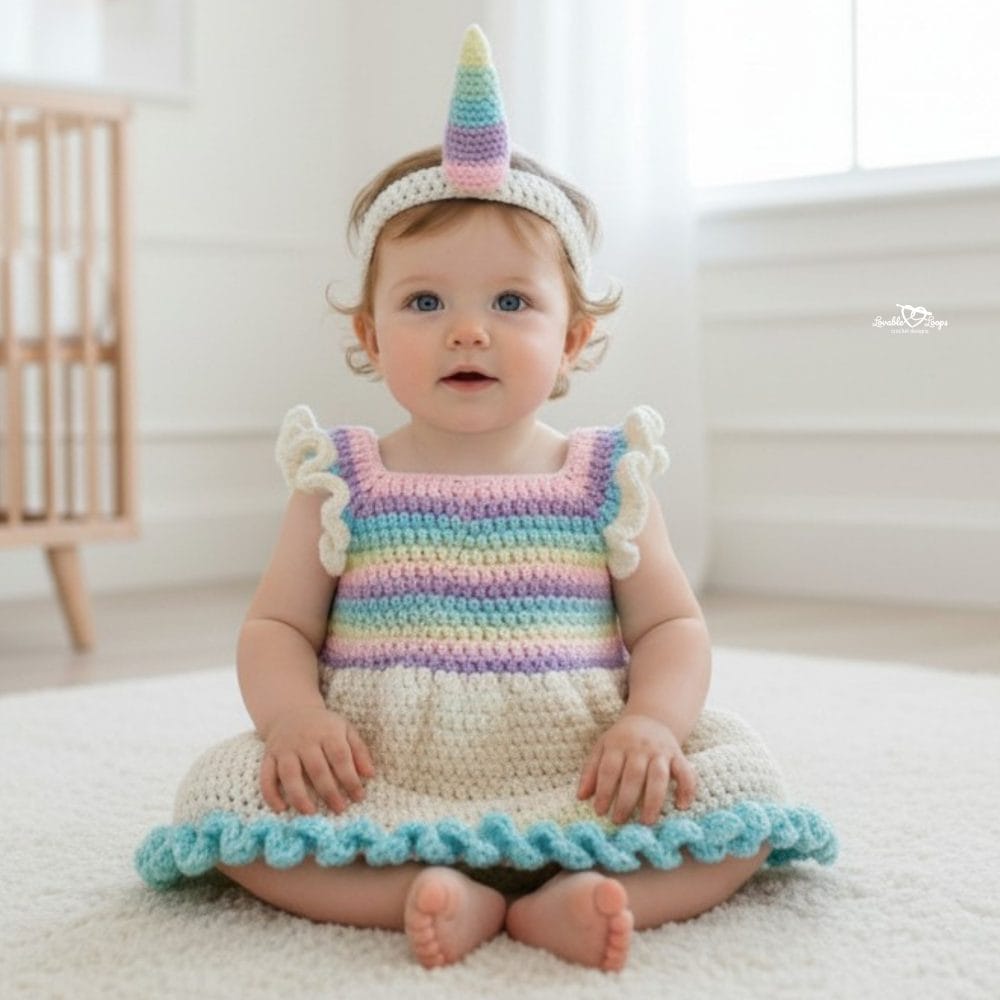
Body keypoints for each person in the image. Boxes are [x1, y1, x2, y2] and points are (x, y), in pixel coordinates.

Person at [135, 24, 836, 972]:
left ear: (576, 336)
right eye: (425, 303)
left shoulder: (604, 475)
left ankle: (584, 899)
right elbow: (277, 629)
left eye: (512, 303)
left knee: (744, 792)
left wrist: (650, 724)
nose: (469, 332)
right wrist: (295, 719)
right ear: (371, 335)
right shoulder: (337, 477)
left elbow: (672, 626)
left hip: (580, 766)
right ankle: (425, 896)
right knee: (219, 797)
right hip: (384, 770)